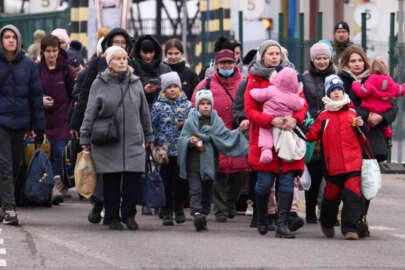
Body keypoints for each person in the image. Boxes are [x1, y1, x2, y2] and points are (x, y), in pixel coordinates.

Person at [80, 46, 153, 231]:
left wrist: (149, 135)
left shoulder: (136, 83)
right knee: (111, 180)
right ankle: (112, 216)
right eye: (117, 59)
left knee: (132, 180)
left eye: (124, 58)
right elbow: (90, 112)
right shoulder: (99, 83)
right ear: (109, 62)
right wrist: (84, 138)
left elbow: (144, 112)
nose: (122, 62)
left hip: (133, 140)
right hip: (108, 140)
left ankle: (129, 215)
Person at [70, 27, 134, 224]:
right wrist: (78, 123)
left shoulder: (131, 68)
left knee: (123, 172)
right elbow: (85, 96)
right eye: (116, 42)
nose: (120, 46)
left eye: (123, 43)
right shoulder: (97, 64)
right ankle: (98, 204)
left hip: (127, 128)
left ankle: (117, 210)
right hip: (102, 126)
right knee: (104, 169)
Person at [244, 40, 307, 238]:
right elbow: (250, 111)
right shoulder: (254, 79)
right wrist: (272, 120)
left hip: (288, 137)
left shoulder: (290, 76)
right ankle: (262, 215)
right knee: (264, 184)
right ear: (262, 56)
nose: (274, 57)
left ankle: (282, 225)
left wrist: (294, 120)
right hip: (265, 138)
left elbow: (301, 104)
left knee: (287, 182)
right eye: (270, 53)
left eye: (277, 53)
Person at [338, 45, 398, 237]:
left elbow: (392, 105)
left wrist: (381, 117)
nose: (357, 64)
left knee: (367, 179)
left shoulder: (377, 79)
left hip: (372, 136)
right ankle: (350, 222)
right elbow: (345, 105)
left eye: (360, 60)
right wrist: (367, 113)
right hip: (349, 134)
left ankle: (360, 218)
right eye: (352, 61)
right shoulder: (342, 80)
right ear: (346, 63)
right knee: (351, 180)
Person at [178, 89, 249, 231]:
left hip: (210, 163)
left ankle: (203, 214)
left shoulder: (216, 121)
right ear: (197, 106)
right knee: (195, 190)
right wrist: (191, 141)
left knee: (207, 190)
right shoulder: (190, 120)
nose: (205, 106)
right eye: (202, 103)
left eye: (208, 104)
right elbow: (182, 138)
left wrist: (239, 131)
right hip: (193, 163)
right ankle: (196, 214)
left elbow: (225, 136)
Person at [192, 49, 250, 223]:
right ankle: (220, 209)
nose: (226, 66)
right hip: (216, 134)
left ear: (235, 64)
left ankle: (231, 202)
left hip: (238, 133)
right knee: (219, 174)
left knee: (239, 174)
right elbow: (194, 106)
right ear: (216, 65)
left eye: (229, 63)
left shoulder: (245, 82)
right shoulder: (206, 84)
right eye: (223, 63)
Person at [305, 75, 365, 240]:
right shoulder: (323, 117)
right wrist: (301, 126)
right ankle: (327, 223)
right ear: (328, 94)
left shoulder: (353, 114)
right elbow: (311, 135)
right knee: (331, 197)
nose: (337, 93)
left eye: (339, 89)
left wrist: (362, 127)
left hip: (353, 163)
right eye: (333, 90)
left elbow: (363, 138)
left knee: (352, 195)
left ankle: (350, 229)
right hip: (332, 166)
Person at [0, 25, 45, 225]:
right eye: (7, 37)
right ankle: (10, 208)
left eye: (14, 37)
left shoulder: (28, 65)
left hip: (21, 123)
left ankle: (3, 203)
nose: (10, 40)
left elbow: (36, 97)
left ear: (19, 41)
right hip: (1, 122)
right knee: (5, 166)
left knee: (16, 165)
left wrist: (39, 126)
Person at [151, 72, 192, 226]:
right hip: (165, 151)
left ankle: (179, 207)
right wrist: (153, 143)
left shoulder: (187, 105)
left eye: (176, 87)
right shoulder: (158, 106)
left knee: (182, 180)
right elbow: (153, 125)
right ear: (164, 89)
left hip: (182, 149)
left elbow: (192, 124)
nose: (173, 90)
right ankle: (166, 210)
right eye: (169, 87)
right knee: (166, 181)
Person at [39, 35, 76, 205]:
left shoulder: (67, 70)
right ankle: (45, 187)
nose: (52, 54)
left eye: (54, 51)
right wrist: (41, 100)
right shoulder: (37, 69)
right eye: (48, 51)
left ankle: (55, 187)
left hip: (62, 119)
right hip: (43, 119)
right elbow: (30, 90)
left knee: (59, 153)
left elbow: (74, 94)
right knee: (44, 154)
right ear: (43, 52)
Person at [302, 42, 336, 223]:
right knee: (314, 174)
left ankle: (328, 212)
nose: (322, 62)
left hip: (332, 130)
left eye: (325, 58)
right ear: (312, 60)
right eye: (318, 58)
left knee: (332, 176)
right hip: (313, 131)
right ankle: (309, 212)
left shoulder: (336, 78)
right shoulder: (304, 79)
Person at [249, 67, 305, 163]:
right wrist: (298, 96)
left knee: (265, 132)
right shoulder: (293, 97)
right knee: (284, 136)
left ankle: (266, 150)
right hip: (285, 121)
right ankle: (285, 153)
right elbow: (301, 104)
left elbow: (258, 94)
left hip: (268, 117)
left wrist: (252, 91)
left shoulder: (271, 90)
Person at [351, 57, 405, 141]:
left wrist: (356, 85)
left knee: (366, 125)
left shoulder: (372, 79)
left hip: (370, 108)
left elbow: (363, 92)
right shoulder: (390, 81)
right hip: (383, 110)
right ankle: (388, 133)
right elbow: (399, 90)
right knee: (384, 126)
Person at [131, 35, 171, 106]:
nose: (148, 56)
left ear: (155, 52)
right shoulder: (131, 69)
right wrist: (144, 91)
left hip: (163, 111)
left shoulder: (166, 69)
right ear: (139, 52)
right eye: (145, 52)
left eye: (151, 52)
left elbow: (173, 89)